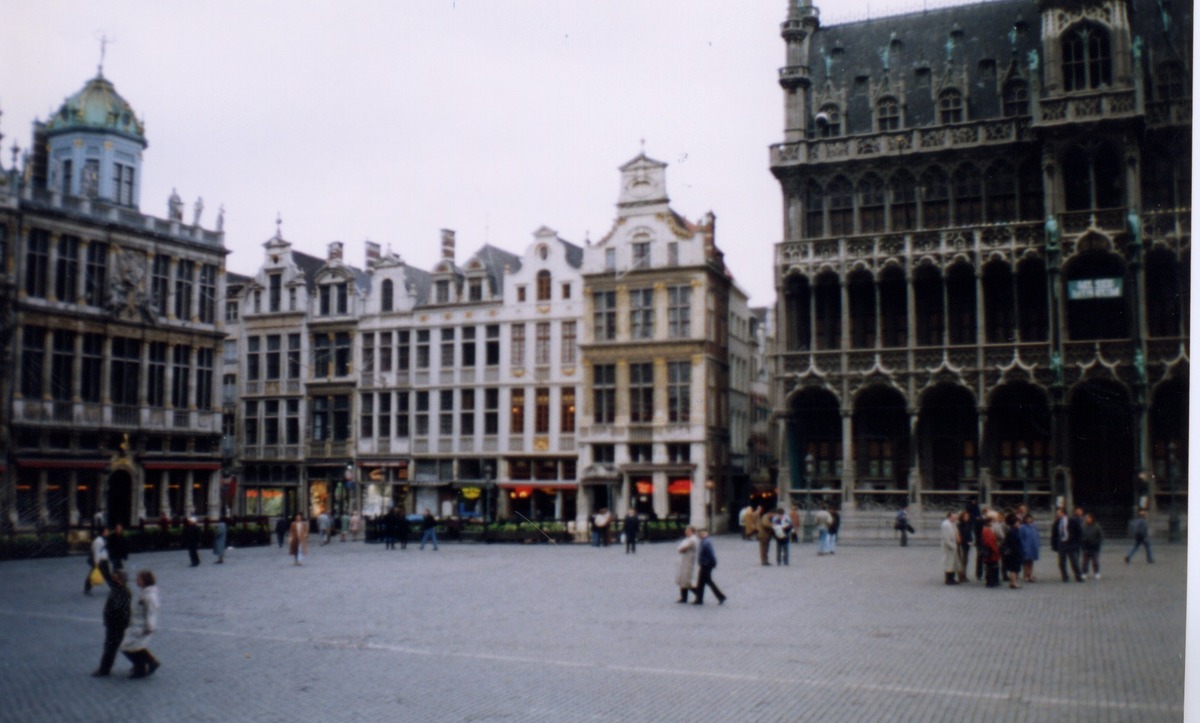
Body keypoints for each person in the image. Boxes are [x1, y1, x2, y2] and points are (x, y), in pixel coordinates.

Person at [121, 570, 161, 679]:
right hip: (136, 625)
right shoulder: (145, 593)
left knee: (128, 646)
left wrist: (150, 626)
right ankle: (146, 664)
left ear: (145, 581)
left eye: (139, 579)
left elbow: (151, 612)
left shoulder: (149, 596)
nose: (137, 581)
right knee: (135, 646)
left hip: (141, 626)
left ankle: (142, 667)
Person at [92, 568, 131, 677]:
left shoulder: (122, 592)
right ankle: (141, 663)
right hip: (114, 624)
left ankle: (104, 669)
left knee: (111, 647)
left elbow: (118, 609)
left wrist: (110, 618)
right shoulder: (118, 590)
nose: (112, 580)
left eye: (115, 578)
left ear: (121, 580)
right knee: (117, 646)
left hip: (117, 624)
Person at [692, 530, 727, 605]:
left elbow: (711, 554)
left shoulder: (706, 542)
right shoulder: (704, 541)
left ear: (705, 534)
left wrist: (712, 563)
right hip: (705, 564)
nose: (699, 535)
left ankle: (720, 596)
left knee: (706, 581)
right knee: (702, 582)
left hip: (706, 564)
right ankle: (699, 598)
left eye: (701, 534)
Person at [1051, 507, 1084, 582]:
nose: (1058, 515)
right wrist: (1054, 545)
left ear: (1063, 513)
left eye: (1059, 513)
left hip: (1071, 543)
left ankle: (1078, 576)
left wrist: (1077, 542)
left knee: (1074, 561)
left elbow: (1079, 531)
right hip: (1062, 543)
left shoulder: (1072, 520)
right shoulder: (1057, 522)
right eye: (1057, 513)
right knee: (1061, 562)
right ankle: (1065, 576)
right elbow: (1054, 534)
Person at [675, 526, 699, 603]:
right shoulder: (688, 539)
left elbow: (684, 548)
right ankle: (683, 597)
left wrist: (680, 549)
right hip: (684, 561)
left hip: (688, 562)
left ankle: (698, 594)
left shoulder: (693, 539)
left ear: (691, 531)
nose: (686, 532)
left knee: (686, 581)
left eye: (687, 531)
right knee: (683, 580)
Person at [1000, 513, 1024, 589]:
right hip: (1014, 552)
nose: (1019, 524)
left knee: (1013, 568)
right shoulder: (1013, 532)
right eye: (1017, 523)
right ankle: (1013, 582)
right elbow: (1013, 543)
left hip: (1013, 551)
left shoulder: (1013, 531)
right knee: (1014, 568)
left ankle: (1012, 582)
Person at [84, 528, 109, 595]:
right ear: (103, 532)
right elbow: (96, 552)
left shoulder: (103, 540)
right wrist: (96, 562)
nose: (107, 533)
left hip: (103, 559)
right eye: (106, 532)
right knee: (102, 574)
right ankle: (87, 587)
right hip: (99, 560)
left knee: (106, 574)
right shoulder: (98, 541)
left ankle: (87, 587)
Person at [980, 512, 1001, 588]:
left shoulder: (986, 530)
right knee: (991, 567)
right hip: (991, 551)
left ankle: (991, 580)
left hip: (990, 550)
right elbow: (989, 542)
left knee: (991, 566)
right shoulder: (987, 530)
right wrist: (995, 549)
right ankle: (990, 581)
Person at [1081, 512, 1104, 579]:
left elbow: (1100, 536)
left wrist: (1096, 542)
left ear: (1092, 519)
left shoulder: (1096, 527)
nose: (1087, 519)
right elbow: (1081, 535)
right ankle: (1084, 572)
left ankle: (1096, 572)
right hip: (1086, 546)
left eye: (1088, 518)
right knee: (1085, 561)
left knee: (1095, 561)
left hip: (1094, 547)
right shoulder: (1083, 526)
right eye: (1086, 518)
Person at [1018, 513, 1040, 582]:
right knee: (1026, 562)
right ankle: (1025, 575)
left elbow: (1037, 536)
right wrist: (1023, 546)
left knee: (1031, 561)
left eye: (1030, 518)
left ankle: (1030, 575)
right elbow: (1021, 537)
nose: (1029, 520)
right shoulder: (1022, 527)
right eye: (1027, 518)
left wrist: (1037, 544)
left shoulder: (1034, 526)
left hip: (1033, 546)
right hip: (1026, 546)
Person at [940, 512, 959, 585]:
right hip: (949, 547)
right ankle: (949, 579)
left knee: (952, 563)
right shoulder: (946, 525)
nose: (955, 519)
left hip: (953, 545)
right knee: (949, 563)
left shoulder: (952, 524)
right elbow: (946, 538)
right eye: (954, 517)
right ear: (950, 517)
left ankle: (952, 578)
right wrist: (952, 546)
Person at [955, 510, 973, 583]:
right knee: (961, 560)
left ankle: (964, 574)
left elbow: (969, 534)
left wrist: (970, 540)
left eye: (967, 516)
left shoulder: (968, 524)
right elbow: (960, 534)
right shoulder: (960, 525)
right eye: (965, 516)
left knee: (965, 560)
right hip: (962, 544)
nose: (967, 517)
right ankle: (961, 575)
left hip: (967, 544)